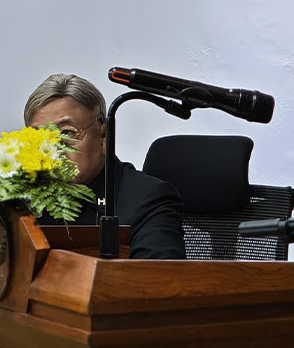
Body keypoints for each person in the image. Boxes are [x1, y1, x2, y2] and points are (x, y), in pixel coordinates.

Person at [24, 73, 186, 259]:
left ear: (104, 137)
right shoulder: (22, 199)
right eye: (39, 138)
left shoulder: (147, 199)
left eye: (67, 133)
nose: (53, 149)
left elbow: (157, 275)